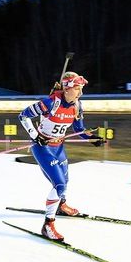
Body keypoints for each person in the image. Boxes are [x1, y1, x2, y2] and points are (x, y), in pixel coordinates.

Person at [18, 71, 103, 241]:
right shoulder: (50, 102)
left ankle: (61, 206)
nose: (80, 93)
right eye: (77, 89)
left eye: (81, 89)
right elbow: (23, 116)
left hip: (58, 148)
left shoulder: (77, 105)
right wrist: (35, 136)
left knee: (65, 180)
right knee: (59, 184)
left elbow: (79, 130)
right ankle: (48, 225)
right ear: (67, 89)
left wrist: (91, 139)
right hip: (43, 148)